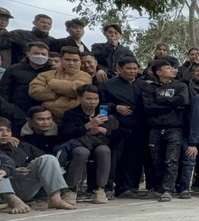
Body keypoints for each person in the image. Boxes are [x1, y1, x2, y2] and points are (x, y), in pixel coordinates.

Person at [0, 117, 76, 213]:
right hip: (2, 192)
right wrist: (11, 172)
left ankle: (55, 199)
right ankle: (12, 200)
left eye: (8, 131)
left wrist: (29, 165)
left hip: (22, 186)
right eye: (0, 131)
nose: (5, 134)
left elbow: (41, 156)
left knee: (48, 158)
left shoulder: (19, 145)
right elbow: (6, 162)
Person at [58, 85, 117, 204]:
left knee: (104, 151)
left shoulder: (104, 112)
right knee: (81, 152)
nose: (93, 102)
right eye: (89, 99)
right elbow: (66, 134)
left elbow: (117, 133)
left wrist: (102, 130)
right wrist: (87, 126)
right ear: (80, 98)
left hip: (99, 142)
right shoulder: (71, 114)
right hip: (79, 143)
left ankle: (100, 188)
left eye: (96, 99)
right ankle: (71, 189)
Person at [142, 59, 190, 202]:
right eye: (168, 68)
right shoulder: (150, 88)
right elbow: (149, 107)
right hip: (155, 129)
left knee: (171, 159)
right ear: (159, 72)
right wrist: (172, 106)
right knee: (156, 160)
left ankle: (168, 189)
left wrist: (161, 100)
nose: (172, 70)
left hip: (174, 128)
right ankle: (158, 188)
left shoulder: (180, 86)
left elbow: (183, 101)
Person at [98, 57, 146, 198]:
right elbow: (100, 108)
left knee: (135, 159)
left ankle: (129, 188)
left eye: (135, 68)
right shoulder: (107, 86)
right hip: (117, 129)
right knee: (114, 159)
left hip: (139, 128)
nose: (132, 71)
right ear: (119, 69)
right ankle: (107, 188)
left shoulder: (143, 86)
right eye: (129, 68)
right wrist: (115, 107)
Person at [28, 46, 92, 122]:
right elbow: (34, 91)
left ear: (80, 61)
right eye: (67, 60)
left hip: (73, 119)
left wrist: (52, 84)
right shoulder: (44, 75)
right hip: (48, 120)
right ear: (61, 60)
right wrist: (59, 94)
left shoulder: (85, 76)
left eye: (75, 60)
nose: (71, 63)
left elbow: (76, 90)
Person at [0, 41, 52, 115]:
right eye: (36, 53)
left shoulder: (53, 71)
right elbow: (4, 93)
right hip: (17, 113)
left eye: (43, 54)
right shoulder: (14, 69)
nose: (40, 56)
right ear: (28, 54)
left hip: (45, 114)